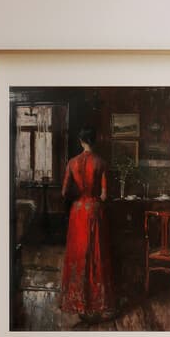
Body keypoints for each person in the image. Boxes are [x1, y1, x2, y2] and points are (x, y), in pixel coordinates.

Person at [60, 127, 115, 322]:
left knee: (79, 253)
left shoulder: (72, 162)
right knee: (96, 253)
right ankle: (97, 303)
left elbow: (65, 192)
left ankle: (80, 302)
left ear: (81, 141)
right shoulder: (101, 162)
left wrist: (79, 197)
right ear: (95, 141)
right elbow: (104, 195)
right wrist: (94, 198)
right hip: (94, 210)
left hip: (78, 212)